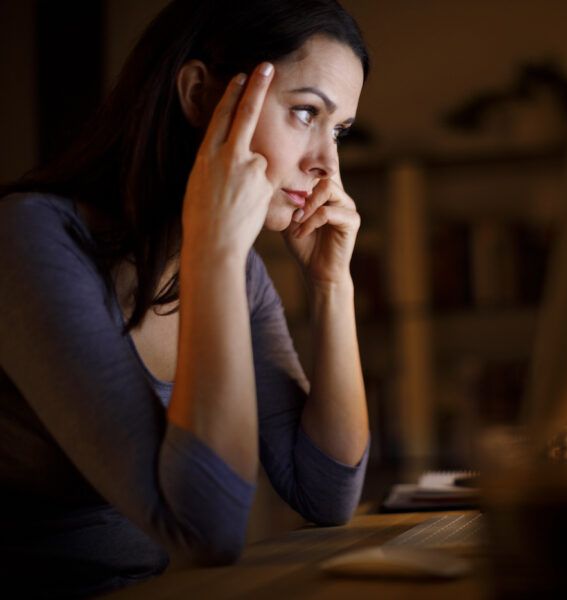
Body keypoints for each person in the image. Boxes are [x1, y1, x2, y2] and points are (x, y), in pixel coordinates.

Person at [0, 0, 370, 595]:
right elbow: (206, 532)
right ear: (200, 95)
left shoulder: (238, 273)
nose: (326, 163)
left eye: (339, 130)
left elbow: (325, 493)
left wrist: (332, 285)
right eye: (305, 113)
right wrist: (216, 251)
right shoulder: (29, 237)